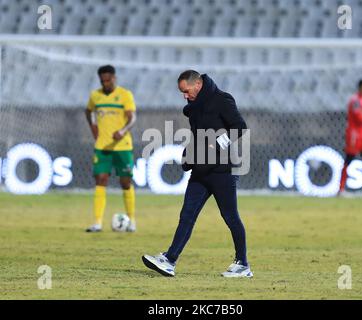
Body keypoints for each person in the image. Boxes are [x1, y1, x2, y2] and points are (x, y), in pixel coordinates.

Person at [142, 70, 253, 278]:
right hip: (201, 171)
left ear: (198, 84)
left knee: (230, 217)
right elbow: (199, 137)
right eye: (182, 93)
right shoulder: (194, 108)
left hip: (222, 170)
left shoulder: (222, 99)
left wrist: (215, 147)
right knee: (187, 215)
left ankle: (243, 264)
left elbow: (239, 127)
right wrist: (190, 153)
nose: (184, 96)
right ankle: (170, 260)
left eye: (186, 91)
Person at [85, 65, 137, 232]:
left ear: (114, 78)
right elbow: (88, 111)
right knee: (100, 179)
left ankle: (132, 220)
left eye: (108, 80)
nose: (105, 83)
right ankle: (97, 222)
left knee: (126, 182)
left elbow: (132, 118)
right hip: (102, 146)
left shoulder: (124, 95)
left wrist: (122, 131)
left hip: (122, 146)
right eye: (102, 81)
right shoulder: (95, 96)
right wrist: (93, 127)